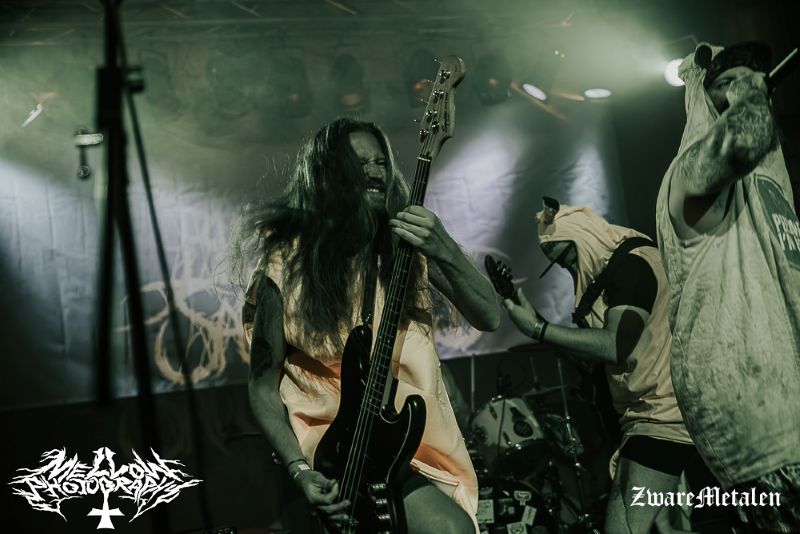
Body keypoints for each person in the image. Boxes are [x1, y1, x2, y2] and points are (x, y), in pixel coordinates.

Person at [232, 117, 500, 533]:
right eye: (359, 163)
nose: (375, 171)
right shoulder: (285, 265)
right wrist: (299, 470)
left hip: (410, 439)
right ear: (327, 176)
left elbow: (489, 315)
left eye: (380, 162)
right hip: (335, 451)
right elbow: (262, 386)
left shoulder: (404, 248)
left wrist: (444, 247)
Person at [655, 41, 800, 532]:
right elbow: (742, 140)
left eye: (752, 83)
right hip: (761, 442)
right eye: (726, 86)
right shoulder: (687, 177)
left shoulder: (766, 187)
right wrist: (749, 94)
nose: (743, 91)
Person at [503, 200, 715, 533]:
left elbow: (615, 345)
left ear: (583, 238)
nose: (569, 271)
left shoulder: (632, 265)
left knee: (623, 528)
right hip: (656, 416)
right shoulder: (622, 269)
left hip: (662, 417)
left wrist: (538, 329)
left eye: (567, 259)